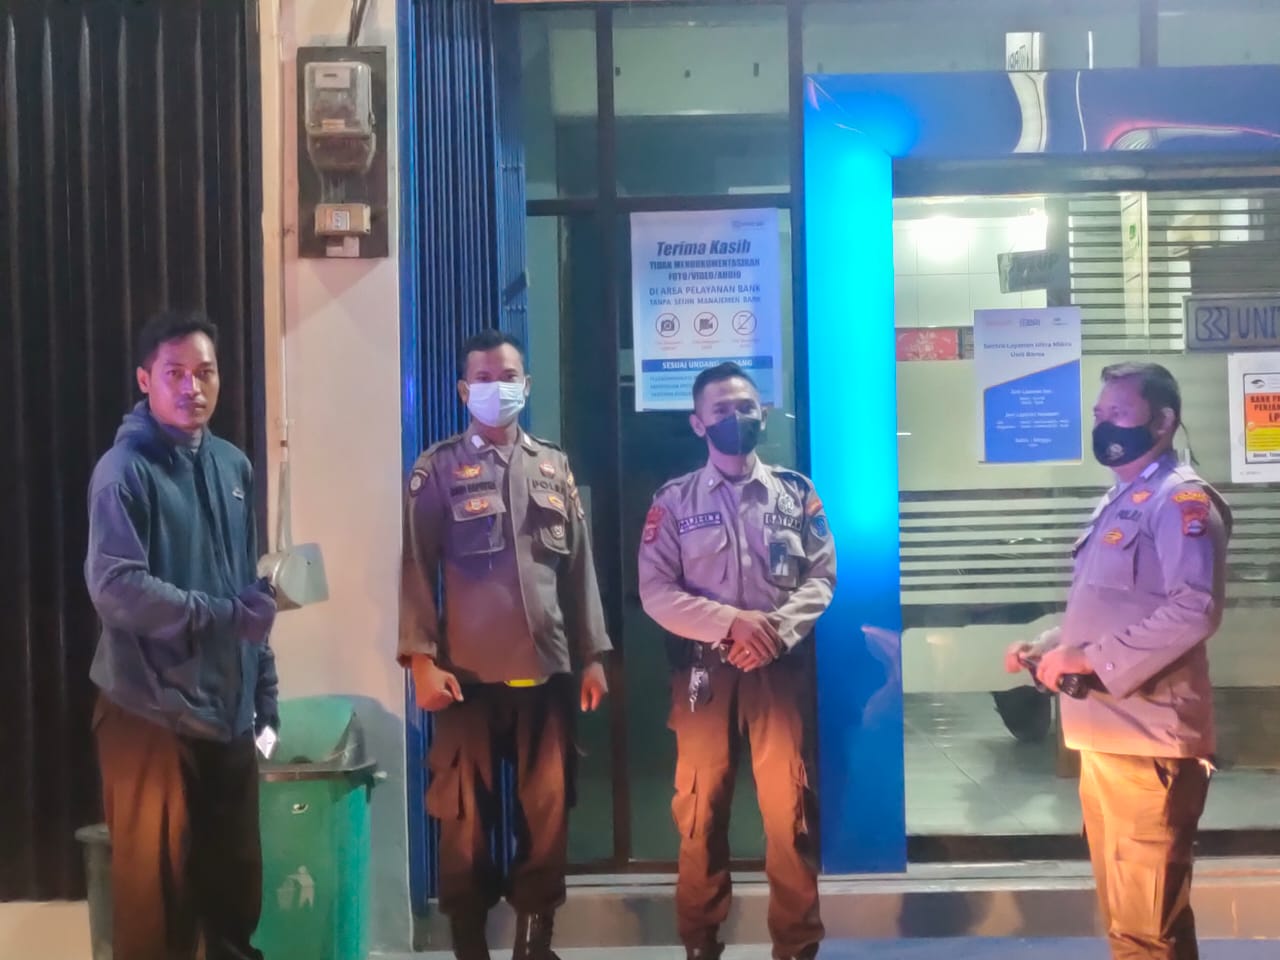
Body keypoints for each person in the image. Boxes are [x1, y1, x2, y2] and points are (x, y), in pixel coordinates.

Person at [1005, 362, 1230, 960]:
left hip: (1147, 738)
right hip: (1107, 733)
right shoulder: (1123, 499)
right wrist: (1053, 646)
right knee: (1135, 922)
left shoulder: (1180, 500)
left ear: (1163, 421)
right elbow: (1115, 606)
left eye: (1120, 414)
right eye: (1099, 414)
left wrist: (1090, 659)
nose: (1105, 426)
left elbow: (1194, 609)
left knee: (1145, 929)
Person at [399, 329, 612, 960]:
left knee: (547, 818)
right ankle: (470, 948)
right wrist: (420, 662)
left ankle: (533, 946)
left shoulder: (553, 465)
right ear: (464, 391)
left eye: (509, 376)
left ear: (527, 384)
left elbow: (579, 570)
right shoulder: (437, 469)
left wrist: (592, 656)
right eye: (485, 379)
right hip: (466, 680)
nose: (498, 387)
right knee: (464, 826)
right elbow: (415, 569)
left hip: (548, 674)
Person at [85, 310, 279, 960]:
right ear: (146, 380)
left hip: (229, 718)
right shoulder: (124, 471)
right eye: (175, 373)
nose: (193, 387)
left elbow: (248, 592)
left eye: (205, 372)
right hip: (151, 716)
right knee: (157, 916)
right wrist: (221, 615)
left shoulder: (233, 466)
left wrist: (264, 694)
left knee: (235, 902)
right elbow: (116, 587)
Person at [637, 362, 835, 960]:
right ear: (698, 423)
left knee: (791, 814)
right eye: (721, 410)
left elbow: (821, 577)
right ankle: (701, 944)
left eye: (746, 407)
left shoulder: (795, 493)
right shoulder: (674, 502)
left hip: (779, 670)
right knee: (700, 813)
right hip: (706, 674)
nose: (736, 418)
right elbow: (656, 592)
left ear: (763, 414)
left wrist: (774, 632)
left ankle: (796, 946)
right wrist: (732, 625)